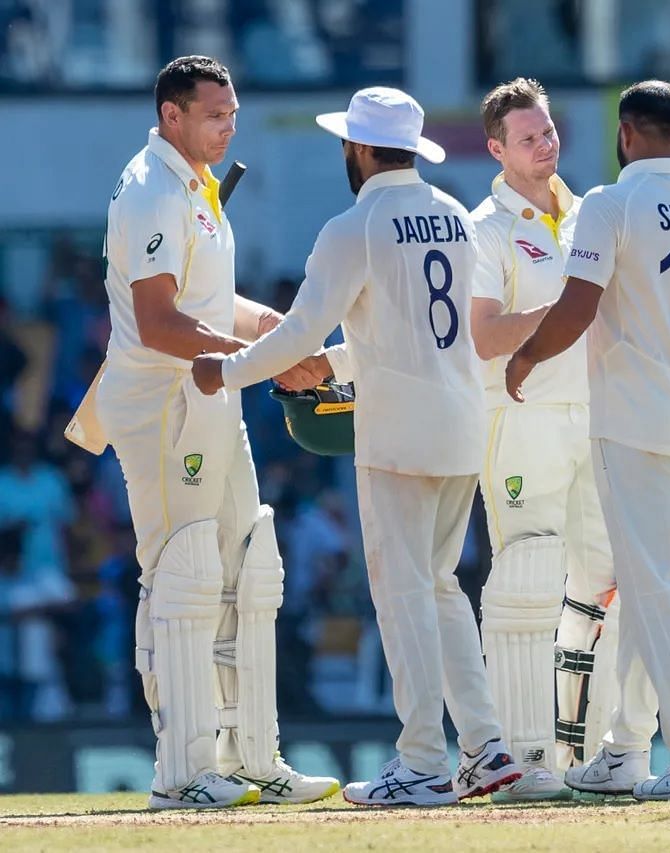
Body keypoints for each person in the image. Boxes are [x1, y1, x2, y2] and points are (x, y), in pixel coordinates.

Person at [191, 87, 522, 806]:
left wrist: (228, 371)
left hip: (399, 436)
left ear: (361, 148)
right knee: (439, 589)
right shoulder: (455, 218)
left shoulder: (355, 225)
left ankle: (422, 762)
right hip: (461, 426)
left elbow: (301, 331)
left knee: (405, 595)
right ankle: (486, 745)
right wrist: (327, 365)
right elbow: (415, 337)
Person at [96, 55, 338, 810]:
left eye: (232, 111)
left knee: (249, 569)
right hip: (164, 399)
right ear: (172, 114)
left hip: (212, 393)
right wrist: (266, 362)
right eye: (213, 114)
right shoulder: (150, 189)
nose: (228, 124)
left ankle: (254, 757)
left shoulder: (195, 184)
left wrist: (282, 339)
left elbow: (212, 300)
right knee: (185, 574)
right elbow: (162, 321)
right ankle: (182, 772)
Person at [504, 80, 670, 801]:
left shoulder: (608, 205)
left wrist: (525, 356)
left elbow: (578, 304)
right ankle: (624, 745)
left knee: (653, 588)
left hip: (633, 419)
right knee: (655, 584)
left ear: (624, 135)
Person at [469, 77, 658, 801]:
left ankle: (588, 758)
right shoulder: (486, 227)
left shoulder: (587, 216)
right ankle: (521, 757)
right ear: (497, 149)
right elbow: (485, 334)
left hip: (595, 417)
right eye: (528, 138)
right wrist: (565, 314)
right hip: (522, 420)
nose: (545, 145)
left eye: (548, 132)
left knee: (599, 588)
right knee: (527, 582)